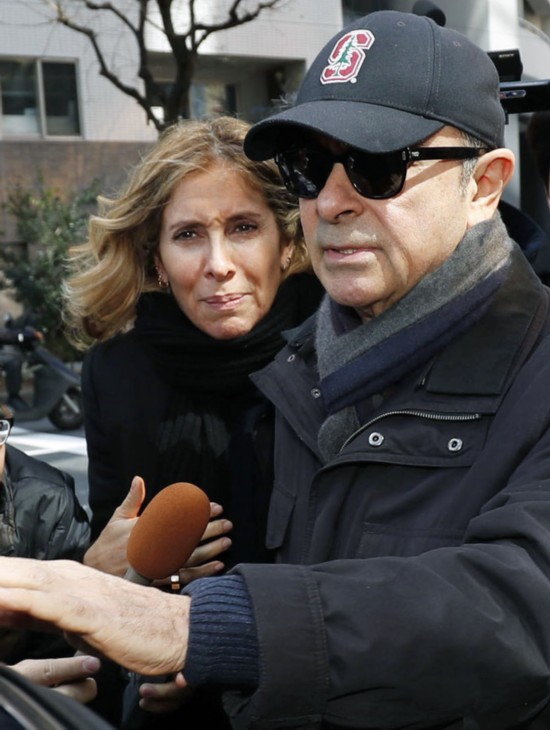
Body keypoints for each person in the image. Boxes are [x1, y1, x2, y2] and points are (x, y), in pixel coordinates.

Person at [3, 9, 550, 729]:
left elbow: (518, 602)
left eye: (379, 166)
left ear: (484, 185)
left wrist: (202, 630)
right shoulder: (306, 367)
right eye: (308, 169)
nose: (332, 200)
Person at [62, 115, 322, 726]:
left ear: (287, 243)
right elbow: (116, 550)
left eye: (244, 228)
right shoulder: (117, 375)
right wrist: (103, 575)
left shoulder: (340, 353)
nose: (218, 263)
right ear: (156, 259)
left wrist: (214, 645)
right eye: (188, 235)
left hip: (311, 683)